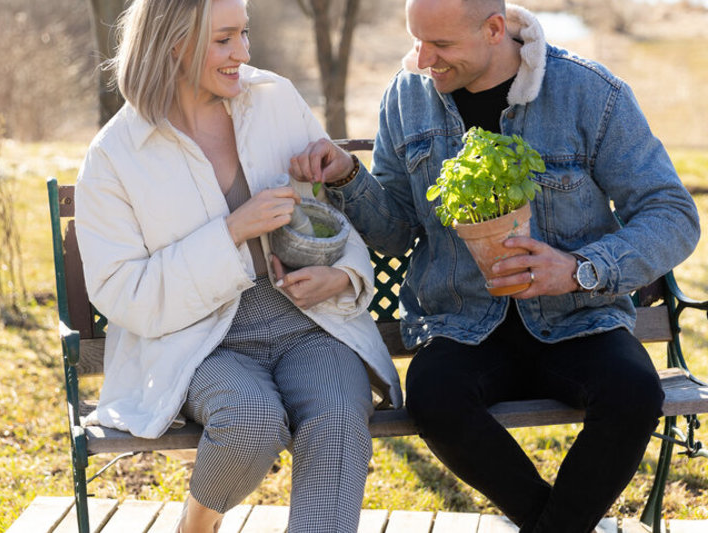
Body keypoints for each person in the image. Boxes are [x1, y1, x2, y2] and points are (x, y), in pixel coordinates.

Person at [290, 0, 700, 531]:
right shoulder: (406, 97)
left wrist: (578, 268)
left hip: (578, 318)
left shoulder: (589, 92)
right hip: (460, 325)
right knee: (435, 400)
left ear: (494, 29)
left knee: (633, 394)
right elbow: (394, 232)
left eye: (441, 45)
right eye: (417, 41)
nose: (423, 59)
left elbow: (672, 213)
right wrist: (349, 176)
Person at [73, 1, 403, 532]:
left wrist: (340, 275)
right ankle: (198, 522)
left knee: (340, 420)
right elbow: (121, 293)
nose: (244, 54)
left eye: (245, 35)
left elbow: (330, 220)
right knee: (251, 421)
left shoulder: (275, 100)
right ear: (172, 41)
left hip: (308, 325)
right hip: (200, 338)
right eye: (224, 39)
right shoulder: (116, 153)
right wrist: (230, 232)